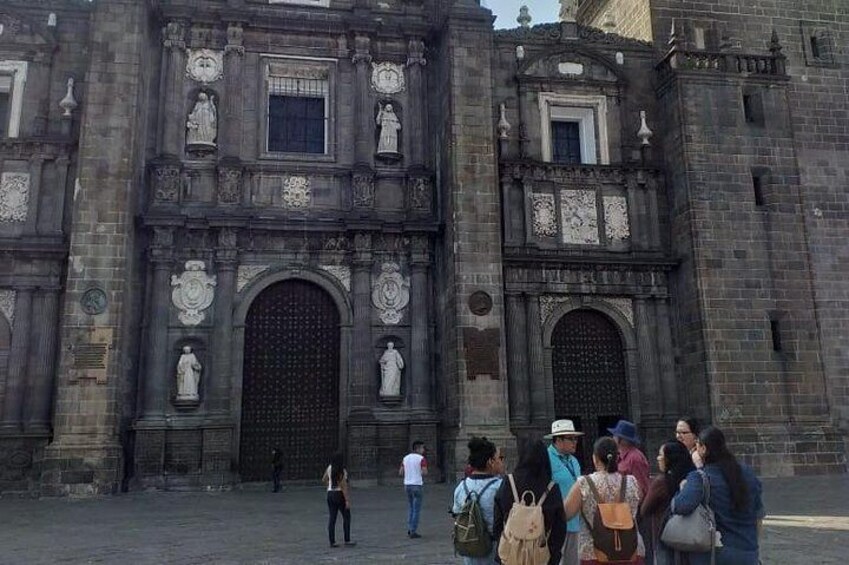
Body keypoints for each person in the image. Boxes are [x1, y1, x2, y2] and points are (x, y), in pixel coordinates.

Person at [671, 426, 765, 565]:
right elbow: (758, 516)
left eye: (697, 447)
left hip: (715, 555)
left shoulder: (700, 477)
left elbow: (680, 506)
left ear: (703, 449)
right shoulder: (747, 473)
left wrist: (684, 485)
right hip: (748, 552)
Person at [564, 437, 645, 565]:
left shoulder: (584, 484)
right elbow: (637, 503)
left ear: (595, 458)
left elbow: (567, 513)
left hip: (593, 552)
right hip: (629, 551)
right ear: (617, 458)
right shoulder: (632, 482)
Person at [494, 440, 567, 565]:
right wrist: (553, 556)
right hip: (541, 556)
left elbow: (497, 522)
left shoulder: (508, 482)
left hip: (511, 555)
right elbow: (559, 528)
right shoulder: (551, 488)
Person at [639, 441, 696, 565]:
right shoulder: (693, 478)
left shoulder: (661, 482)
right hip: (691, 535)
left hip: (666, 535)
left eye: (661, 455)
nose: (658, 458)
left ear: (669, 459)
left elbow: (644, 509)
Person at [452, 436, 504, 565]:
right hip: (495, 548)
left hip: (470, 547)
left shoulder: (461, 487)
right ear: (490, 462)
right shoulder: (501, 486)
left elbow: (456, 515)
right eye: (500, 458)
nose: (501, 462)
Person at [545, 419, 584, 565]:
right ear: (558, 440)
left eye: (576, 438)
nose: (575, 442)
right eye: (571, 438)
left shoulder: (574, 461)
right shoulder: (546, 459)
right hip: (555, 524)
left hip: (576, 522)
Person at [608, 419, 650, 500]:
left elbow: (642, 487)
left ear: (623, 439)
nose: (613, 437)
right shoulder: (619, 456)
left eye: (615, 435)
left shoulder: (635, 458)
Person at [321, 452, 356, 548]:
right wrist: (347, 500)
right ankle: (347, 539)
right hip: (339, 494)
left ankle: (332, 541)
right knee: (346, 517)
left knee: (332, 518)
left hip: (330, 493)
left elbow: (324, 479)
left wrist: (330, 485)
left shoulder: (329, 468)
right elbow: (344, 486)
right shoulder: (342, 471)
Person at [399, 440, 428, 538]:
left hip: (407, 484)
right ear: (418, 448)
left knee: (411, 507)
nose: (424, 450)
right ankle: (413, 530)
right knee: (416, 509)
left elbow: (401, 472)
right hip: (417, 484)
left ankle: (409, 527)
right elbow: (424, 472)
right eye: (423, 448)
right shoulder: (421, 459)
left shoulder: (405, 458)